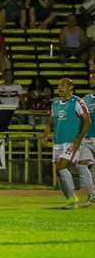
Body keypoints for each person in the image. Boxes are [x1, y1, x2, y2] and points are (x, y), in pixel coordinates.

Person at [42, 78, 92, 210]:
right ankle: (70, 198)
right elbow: (50, 123)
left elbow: (87, 122)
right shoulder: (56, 104)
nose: (59, 87)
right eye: (58, 85)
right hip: (57, 142)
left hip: (70, 141)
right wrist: (44, 136)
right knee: (59, 172)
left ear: (70, 88)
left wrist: (79, 139)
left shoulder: (77, 102)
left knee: (61, 166)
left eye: (63, 85)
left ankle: (72, 199)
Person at [77, 72, 95, 207]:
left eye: (93, 78)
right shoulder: (86, 98)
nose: (91, 80)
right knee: (81, 165)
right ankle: (92, 194)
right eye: (90, 78)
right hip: (87, 137)